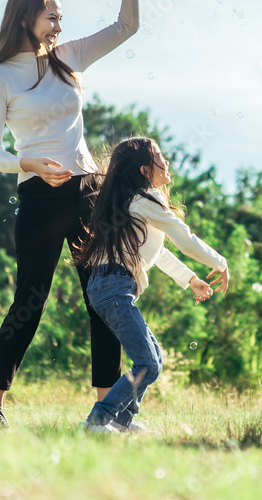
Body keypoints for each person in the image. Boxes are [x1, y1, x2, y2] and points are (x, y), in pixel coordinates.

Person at [0, 0, 139, 427]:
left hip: (88, 191)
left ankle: (106, 412)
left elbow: (126, 26)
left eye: (61, 18)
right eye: (52, 16)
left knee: (104, 297)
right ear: (27, 16)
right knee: (30, 299)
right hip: (39, 196)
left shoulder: (69, 59)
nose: (58, 24)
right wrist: (30, 165)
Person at [78, 137, 229, 434]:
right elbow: (183, 238)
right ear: (146, 170)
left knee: (153, 357)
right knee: (147, 362)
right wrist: (219, 262)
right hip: (113, 286)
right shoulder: (146, 199)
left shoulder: (134, 203)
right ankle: (97, 421)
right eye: (161, 157)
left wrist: (190, 278)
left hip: (108, 285)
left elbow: (157, 250)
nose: (167, 162)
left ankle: (123, 421)